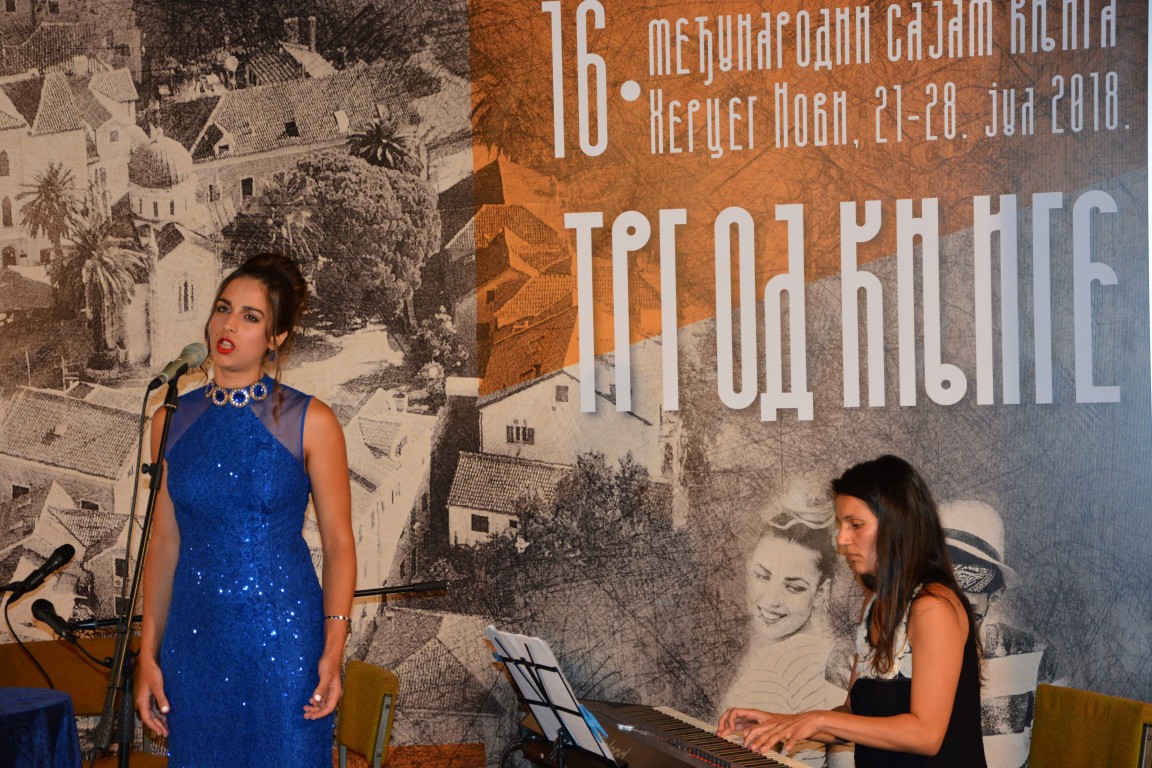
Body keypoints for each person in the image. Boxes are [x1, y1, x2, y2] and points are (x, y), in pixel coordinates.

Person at [135, 253, 356, 767]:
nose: (228, 325)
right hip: (194, 647)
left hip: (284, 649)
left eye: (250, 316)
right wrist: (148, 654)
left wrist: (333, 648)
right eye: (223, 308)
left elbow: (339, 542)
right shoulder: (169, 420)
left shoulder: (312, 420)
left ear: (276, 338)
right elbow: (164, 545)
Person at [719, 455, 987, 768]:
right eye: (841, 525)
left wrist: (818, 720)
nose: (842, 540)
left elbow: (926, 735)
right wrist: (784, 722)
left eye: (856, 525)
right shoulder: (876, 602)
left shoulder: (935, 607)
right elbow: (854, 715)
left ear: (897, 525)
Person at [719, 479, 838, 767]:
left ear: (821, 592)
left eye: (794, 587)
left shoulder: (773, 671)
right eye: (762, 576)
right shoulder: (826, 653)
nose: (771, 600)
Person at [939, 500, 1059, 768]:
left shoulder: (1037, 660)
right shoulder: (885, 651)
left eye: (968, 610)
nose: (948, 624)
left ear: (996, 595)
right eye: (940, 605)